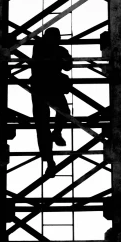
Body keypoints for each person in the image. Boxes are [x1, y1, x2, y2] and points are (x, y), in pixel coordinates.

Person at [31, 27, 72, 170]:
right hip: (42, 87)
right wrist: (60, 60)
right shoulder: (41, 47)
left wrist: (63, 60)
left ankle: (56, 133)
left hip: (46, 87)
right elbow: (66, 65)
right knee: (43, 124)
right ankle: (49, 159)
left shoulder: (57, 49)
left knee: (55, 116)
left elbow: (68, 66)